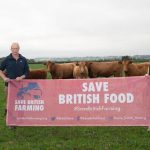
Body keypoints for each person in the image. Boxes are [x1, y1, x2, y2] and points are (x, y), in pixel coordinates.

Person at [0, 42, 29, 121]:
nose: (15, 50)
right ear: (11, 49)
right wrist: (4, 78)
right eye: (13, 48)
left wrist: (22, 77)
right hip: (9, 85)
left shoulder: (23, 59)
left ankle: (21, 117)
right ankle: (10, 120)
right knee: (10, 102)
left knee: (20, 102)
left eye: (16, 48)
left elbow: (27, 72)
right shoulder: (7, 59)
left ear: (19, 49)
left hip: (21, 85)